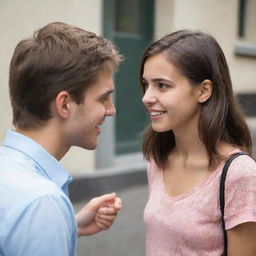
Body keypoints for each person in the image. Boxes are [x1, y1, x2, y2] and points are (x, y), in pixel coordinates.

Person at [0, 22, 123, 255]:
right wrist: (49, 218)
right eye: (103, 98)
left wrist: (67, 225)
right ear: (64, 104)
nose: (111, 110)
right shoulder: (41, 203)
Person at [140, 30, 256, 255]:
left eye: (162, 85)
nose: (146, 97)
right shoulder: (158, 159)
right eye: (146, 84)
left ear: (203, 91)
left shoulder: (240, 175)